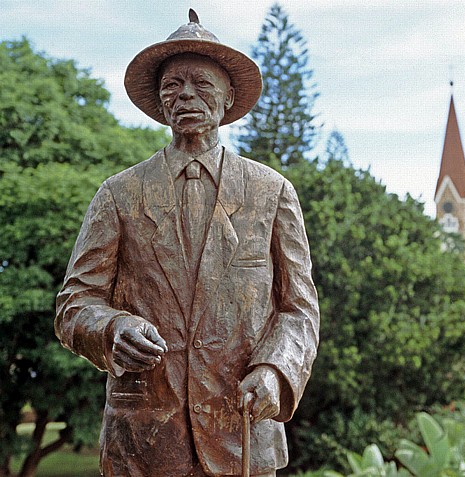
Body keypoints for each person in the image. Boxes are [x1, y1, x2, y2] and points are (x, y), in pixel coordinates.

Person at [55, 10, 319, 477]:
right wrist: (112, 328)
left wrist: (276, 371)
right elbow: (75, 304)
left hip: (241, 429)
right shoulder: (119, 194)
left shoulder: (271, 192)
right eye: (173, 85)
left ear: (228, 97)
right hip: (145, 436)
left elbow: (298, 309)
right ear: (159, 101)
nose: (186, 95)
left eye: (201, 83)